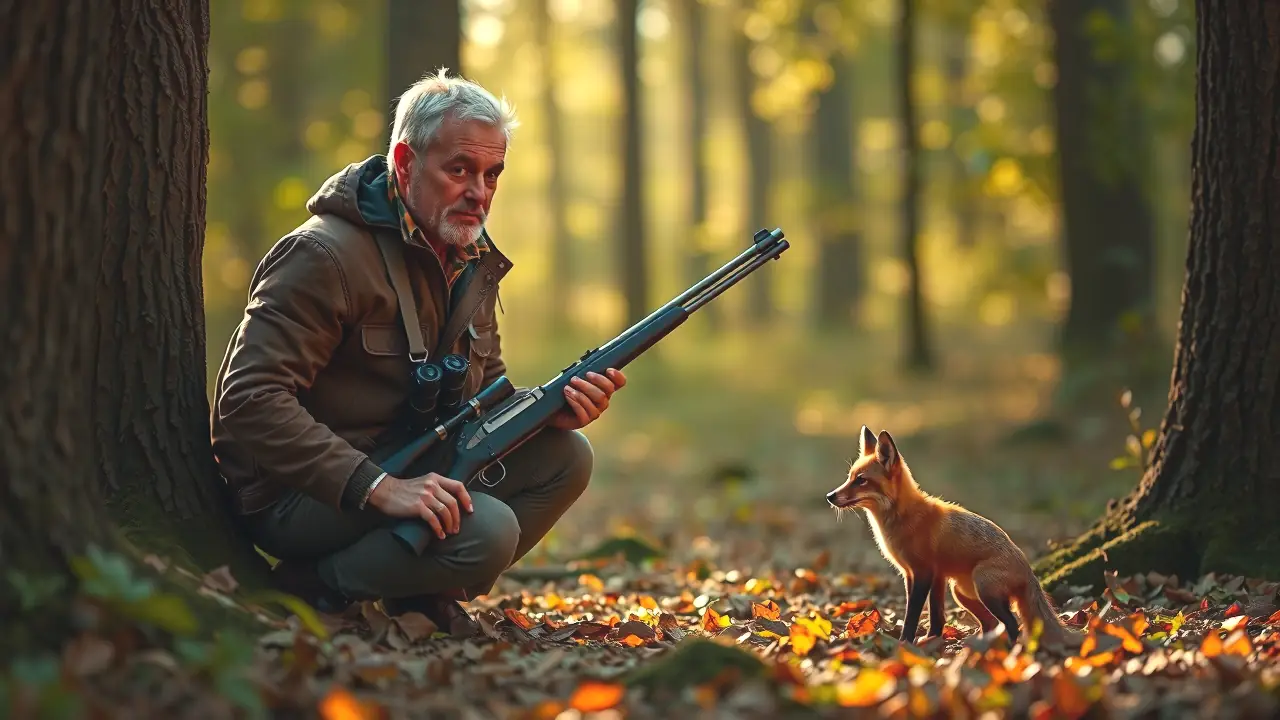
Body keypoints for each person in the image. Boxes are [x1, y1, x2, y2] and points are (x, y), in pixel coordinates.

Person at [210, 68, 625, 637]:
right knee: (488, 531)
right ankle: (313, 588)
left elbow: (483, 395)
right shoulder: (323, 255)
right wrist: (377, 487)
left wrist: (548, 410)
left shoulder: (469, 259)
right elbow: (248, 400)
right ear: (405, 163)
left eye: (492, 174)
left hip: (409, 460)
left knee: (566, 455)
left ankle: (415, 592)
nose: (479, 192)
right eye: (459, 170)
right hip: (299, 491)